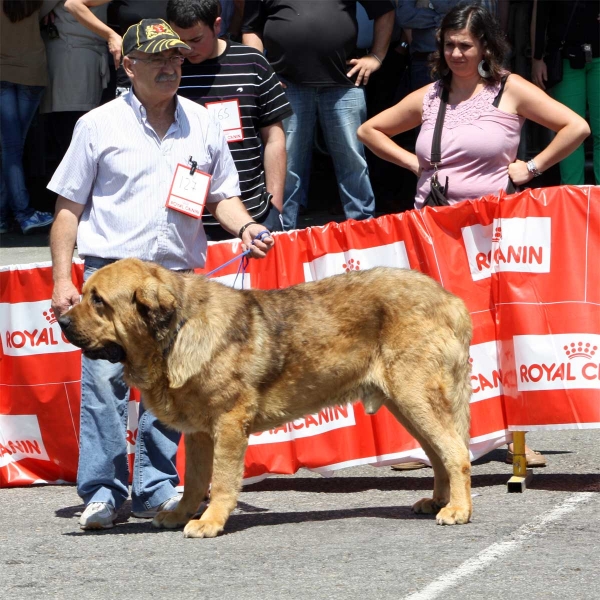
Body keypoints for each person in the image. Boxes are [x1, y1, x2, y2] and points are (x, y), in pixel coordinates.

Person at [48, 18, 274, 530]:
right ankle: (104, 492)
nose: (170, 66)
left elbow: (223, 197)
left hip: (177, 285)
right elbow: (67, 210)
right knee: (104, 385)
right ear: (128, 66)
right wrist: (64, 282)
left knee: (174, 389)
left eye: (175, 57)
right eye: (156, 59)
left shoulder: (204, 121)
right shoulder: (97, 125)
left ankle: (154, 486)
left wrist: (246, 229)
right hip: (110, 282)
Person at [358, 3, 590, 467]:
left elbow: (576, 126)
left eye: (466, 44)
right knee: (428, 336)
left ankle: (508, 436)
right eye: (449, 45)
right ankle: (432, 437)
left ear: (485, 45)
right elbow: (369, 129)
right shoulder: (429, 96)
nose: (457, 53)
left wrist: (534, 166)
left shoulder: (510, 89)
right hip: (433, 229)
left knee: (496, 331)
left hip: (491, 233)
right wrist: (412, 163)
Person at [242, 0, 395, 231]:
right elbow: (251, 29)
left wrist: (377, 56)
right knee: (285, 164)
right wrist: (261, 72)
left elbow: (385, 9)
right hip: (285, 84)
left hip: (344, 82)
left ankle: (364, 232)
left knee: (353, 162)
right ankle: (281, 235)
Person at [167, 0, 292, 240]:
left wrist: (275, 205)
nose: (187, 49)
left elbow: (274, 137)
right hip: (186, 223)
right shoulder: (167, 69)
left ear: (217, 25)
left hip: (253, 215)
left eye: (195, 40)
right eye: (179, 41)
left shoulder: (252, 63)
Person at [0, 0, 54, 234]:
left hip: (2, 73)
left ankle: (16, 215)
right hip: (32, 73)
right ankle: (18, 214)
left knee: (10, 149)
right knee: (12, 148)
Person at [531, 0, 599, 185]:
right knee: (570, 133)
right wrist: (537, 58)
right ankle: (572, 195)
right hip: (566, 57)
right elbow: (541, 15)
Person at [39, 1, 110, 163]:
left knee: (68, 138)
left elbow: (32, 12)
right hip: (90, 58)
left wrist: (46, 12)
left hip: (68, 58)